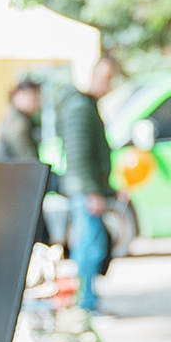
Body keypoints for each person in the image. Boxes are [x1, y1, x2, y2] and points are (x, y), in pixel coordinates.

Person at [57, 59, 119, 311]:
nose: (110, 85)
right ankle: (84, 302)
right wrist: (93, 191)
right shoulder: (80, 108)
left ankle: (88, 299)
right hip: (85, 190)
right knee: (89, 247)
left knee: (93, 245)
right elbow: (79, 154)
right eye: (107, 78)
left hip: (88, 188)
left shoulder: (86, 106)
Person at [0, 77, 45, 162]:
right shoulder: (17, 123)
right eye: (34, 97)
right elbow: (29, 160)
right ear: (18, 96)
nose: (38, 103)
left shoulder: (23, 118)